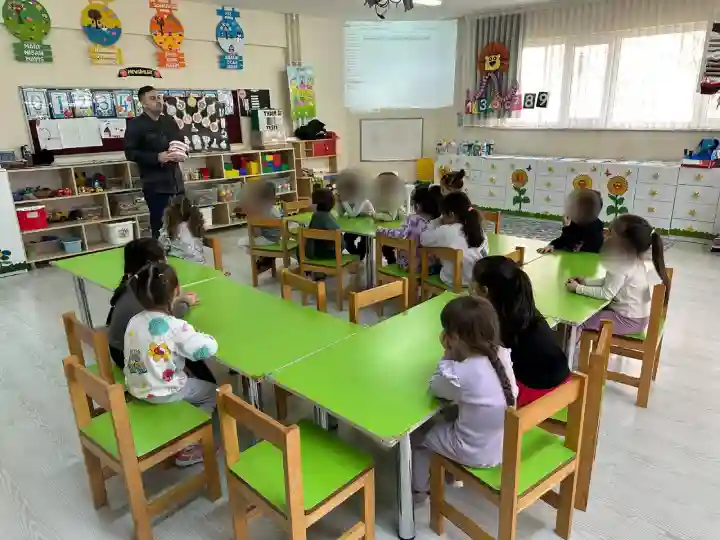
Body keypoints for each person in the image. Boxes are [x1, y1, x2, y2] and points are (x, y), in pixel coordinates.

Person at [411, 296, 517, 503]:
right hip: (503, 443)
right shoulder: (502, 355)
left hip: (476, 452)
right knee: (452, 413)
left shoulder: (460, 373)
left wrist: (448, 354)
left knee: (418, 438)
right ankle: (452, 477)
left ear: (455, 337)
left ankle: (420, 492)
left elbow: (436, 387)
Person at [124, 262, 218, 467]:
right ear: (177, 291)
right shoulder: (175, 326)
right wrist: (206, 336)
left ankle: (181, 420)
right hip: (163, 392)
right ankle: (188, 444)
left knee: (186, 376)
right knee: (213, 393)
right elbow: (206, 349)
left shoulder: (134, 321)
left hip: (137, 387)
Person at [106, 238, 216, 385]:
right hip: (130, 356)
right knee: (181, 346)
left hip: (119, 348)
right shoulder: (142, 295)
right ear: (154, 264)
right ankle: (210, 387)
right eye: (164, 257)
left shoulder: (135, 283)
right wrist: (184, 302)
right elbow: (165, 319)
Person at [472, 256, 570, 407]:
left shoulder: (500, 321)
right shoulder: (519, 307)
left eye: (472, 288)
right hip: (561, 378)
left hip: (537, 389)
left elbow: (488, 359)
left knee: (473, 384)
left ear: (484, 291)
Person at [566, 214, 670, 337]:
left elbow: (606, 293)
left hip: (627, 320)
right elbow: (610, 283)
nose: (605, 235)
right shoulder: (633, 259)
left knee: (578, 320)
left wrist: (578, 288)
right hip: (636, 317)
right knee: (587, 311)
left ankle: (573, 355)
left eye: (610, 233)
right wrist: (586, 282)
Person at [124, 86, 185, 238]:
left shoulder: (169, 121)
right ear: (143, 104)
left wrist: (181, 153)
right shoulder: (135, 125)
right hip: (155, 185)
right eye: (152, 98)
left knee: (181, 222)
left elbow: (180, 142)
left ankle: (182, 254)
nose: (158, 101)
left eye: (159, 97)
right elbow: (130, 153)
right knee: (160, 223)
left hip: (176, 182)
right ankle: (160, 256)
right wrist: (156, 157)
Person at [420, 192, 488, 287]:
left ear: (451, 214)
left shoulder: (447, 230)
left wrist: (436, 222)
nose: (442, 218)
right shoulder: (478, 228)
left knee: (436, 266)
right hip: (476, 280)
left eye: (443, 215)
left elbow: (423, 239)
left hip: (454, 280)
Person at [377, 184, 441, 269]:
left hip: (412, 266)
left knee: (388, 244)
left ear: (417, 206)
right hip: (431, 268)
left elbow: (399, 234)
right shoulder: (440, 222)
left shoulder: (413, 220)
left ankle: (392, 267)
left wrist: (381, 230)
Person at [539, 189, 604, 254]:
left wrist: (566, 227)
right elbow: (563, 240)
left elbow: (573, 245)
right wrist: (552, 245)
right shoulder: (575, 223)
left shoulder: (595, 226)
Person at [239, 182, 282, 273]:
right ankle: (266, 259)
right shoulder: (273, 207)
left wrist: (250, 222)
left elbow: (256, 234)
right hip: (278, 238)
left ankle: (264, 259)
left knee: (241, 242)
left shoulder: (259, 210)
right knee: (250, 242)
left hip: (268, 240)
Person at [336, 169, 375, 259]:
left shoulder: (361, 198)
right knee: (347, 239)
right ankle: (356, 257)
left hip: (367, 224)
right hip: (355, 224)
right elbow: (341, 214)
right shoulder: (347, 198)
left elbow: (353, 214)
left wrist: (343, 200)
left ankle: (360, 257)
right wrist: (339, 202)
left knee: (365, 241)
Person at [159, 194, 206, 263]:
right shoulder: (194, 224)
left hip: (181, 265)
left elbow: (161, 248)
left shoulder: (171, 228)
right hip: (200, 265)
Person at [304, 187, 341, 260]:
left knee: (299, 248)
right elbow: (341, 243)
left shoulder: (315, 216)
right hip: (330, 254)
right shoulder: (329, 218)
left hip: (313, 252)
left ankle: (306, 269)